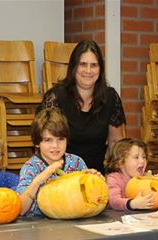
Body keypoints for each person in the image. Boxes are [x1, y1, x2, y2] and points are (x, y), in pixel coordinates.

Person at [39, 40, 125, 173]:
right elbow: (45, 144)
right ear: (74, 67)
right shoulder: (55, 97)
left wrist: (116, 178)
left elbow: (116, 143)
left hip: (95, 175)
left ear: (100, 69)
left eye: (94, 65)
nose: (88, 71)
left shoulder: (111, 97)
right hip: (61, 175)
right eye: (83, 64)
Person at [16, 109, 90, 216]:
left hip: (73, 218)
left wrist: (94, 179)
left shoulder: (76, 162)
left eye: (60, 139)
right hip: (38, 224)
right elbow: (21, 209)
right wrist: (39, 180)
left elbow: (87, 196)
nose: (55, 145)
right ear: (37, 143)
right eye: (48, 140)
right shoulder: (30, 168)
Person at [105, 138, 155, 211]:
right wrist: (131, 204)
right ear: (120, 162)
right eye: (136, 157)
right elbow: (113, 201)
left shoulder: (145, 176)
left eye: (144, 157)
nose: (142, 161)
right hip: (118, 218)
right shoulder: (113, 179)